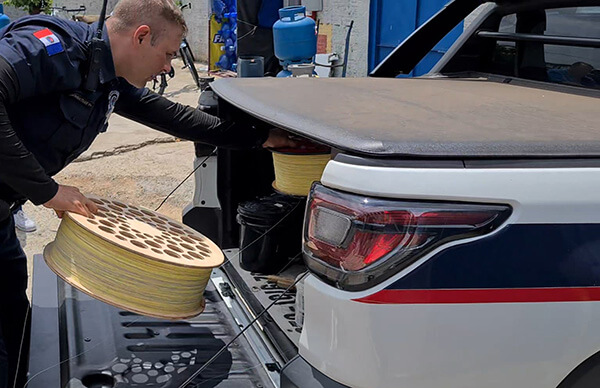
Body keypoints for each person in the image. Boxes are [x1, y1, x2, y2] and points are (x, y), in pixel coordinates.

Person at [0, 1, 294, 387]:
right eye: (168, 54)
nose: (169, 67)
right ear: (141, 36)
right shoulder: (50, 48)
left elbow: (173, 116)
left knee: (13, 320)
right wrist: (47, 190)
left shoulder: (104, 74)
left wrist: (263, 138)